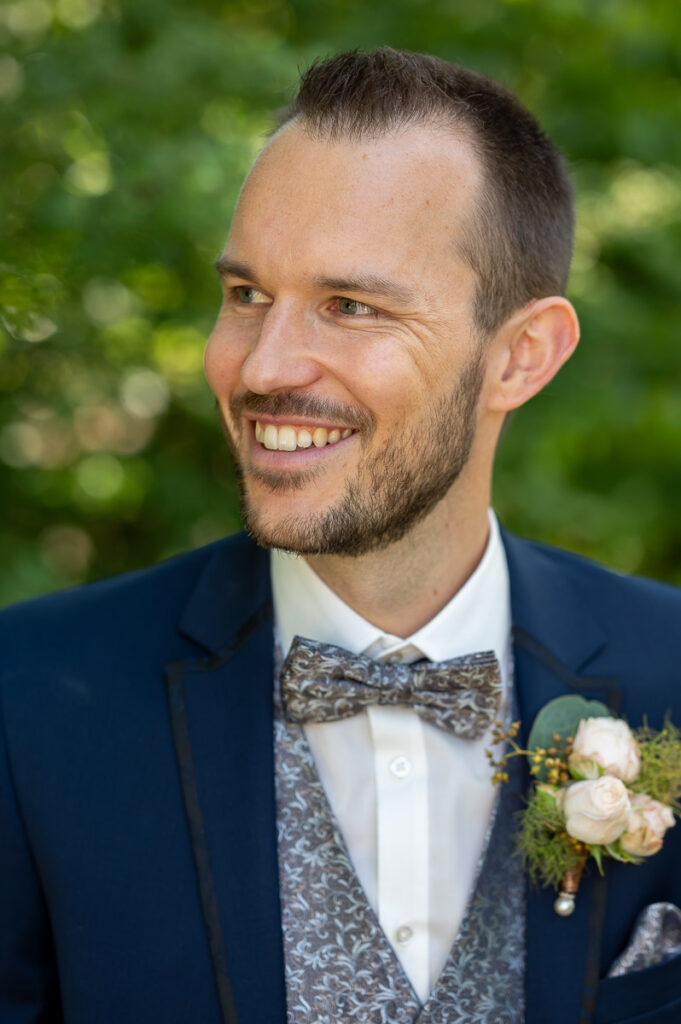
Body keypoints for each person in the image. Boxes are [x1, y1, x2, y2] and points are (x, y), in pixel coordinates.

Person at [1, 47, 680, 1024]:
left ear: (521, 357)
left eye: (350, 306)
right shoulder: (27, 703)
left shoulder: (675, 671)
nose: (263, 364)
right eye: (245, 296)